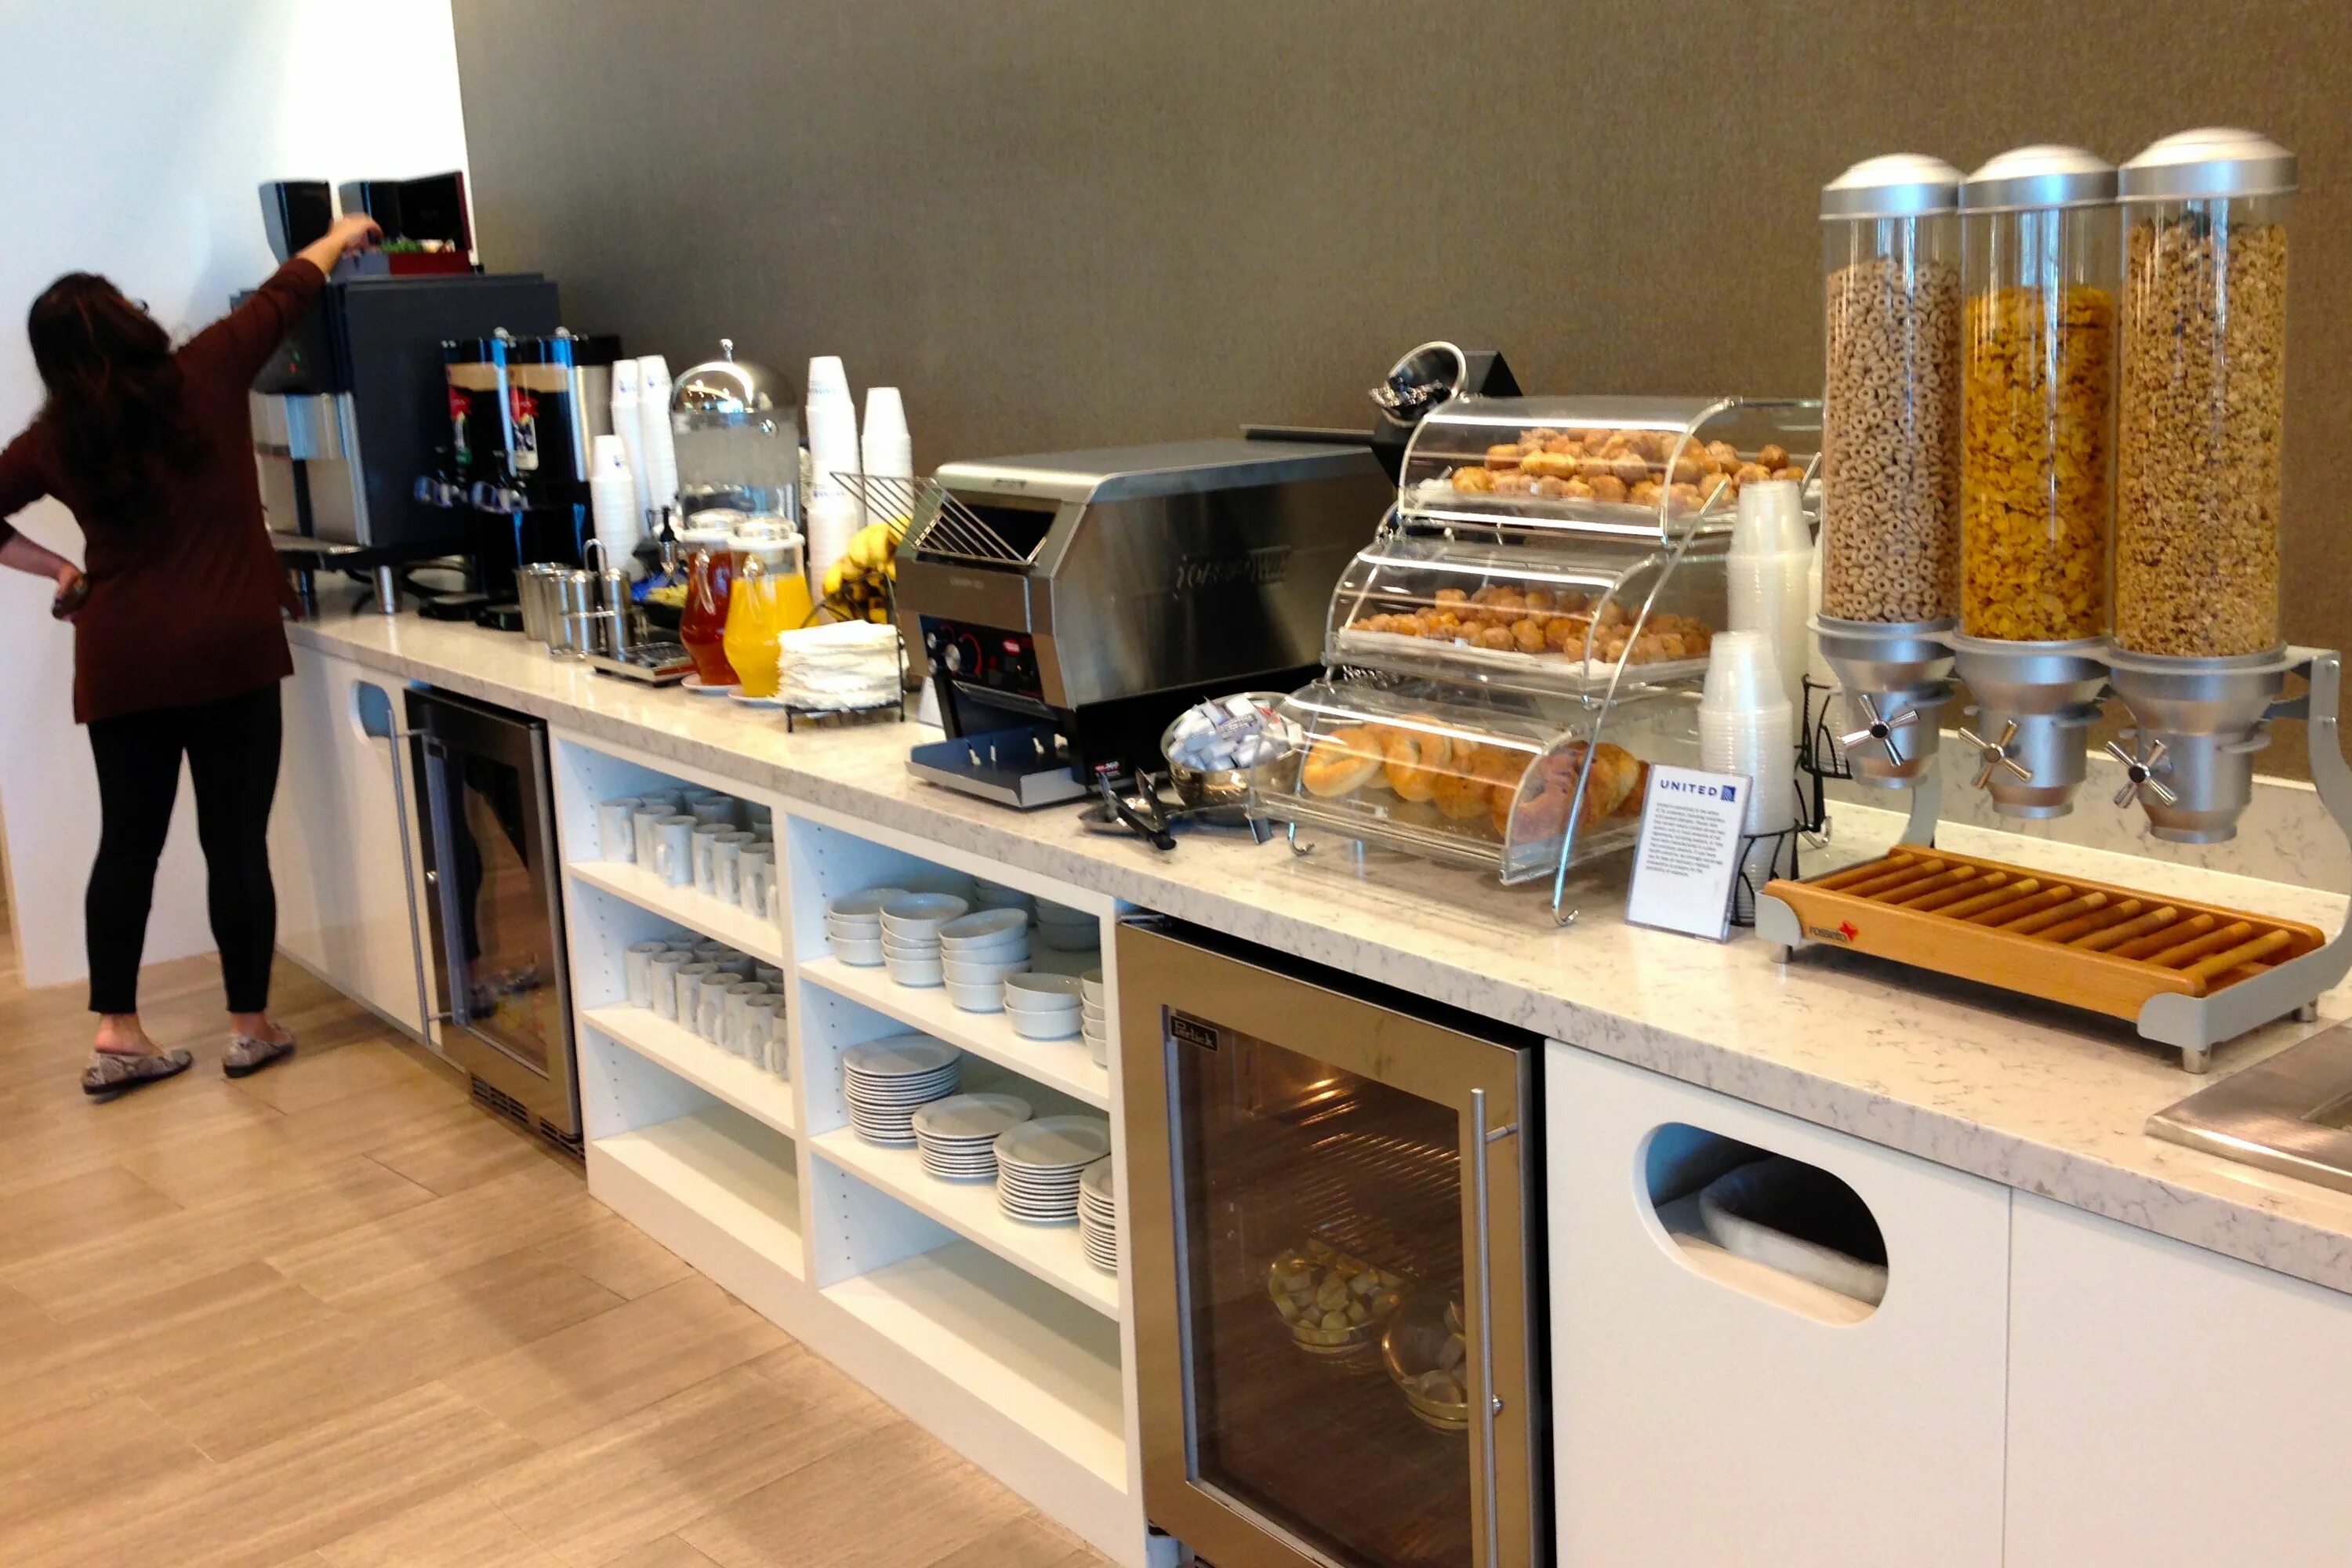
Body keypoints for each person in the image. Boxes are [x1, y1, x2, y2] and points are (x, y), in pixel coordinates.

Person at [0, 213, 382, 1098]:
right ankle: (249, 1027)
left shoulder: (55, 440)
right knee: (234, 841)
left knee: (125, 846)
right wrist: (338, 233)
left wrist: (58, 564)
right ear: (127, 325)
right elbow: (293, 289)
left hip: (124, 661)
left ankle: (117, 1032)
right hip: (231, 652)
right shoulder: (203, 371)